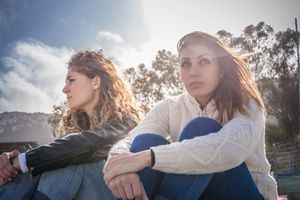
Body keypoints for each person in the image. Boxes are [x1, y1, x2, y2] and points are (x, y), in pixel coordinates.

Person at [103, 31, 278, 200]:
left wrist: (146, 158)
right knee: (144, 141)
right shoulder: (170, 107)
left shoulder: (246, 103)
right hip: (193, 193)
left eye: (204, 61)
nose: (193, 72)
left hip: (243, 191)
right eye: (186, 64)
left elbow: (228, 150)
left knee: (202, 128)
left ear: (221, 69)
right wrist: (119, 170)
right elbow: (129, 141)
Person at [0, 50, 141, 200]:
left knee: (70, 159)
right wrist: (8, 167)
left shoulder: (126, 122)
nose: (65, 88)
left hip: (119, 193)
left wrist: (19, 162)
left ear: (95, 82)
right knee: (48, 162)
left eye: (71, 80)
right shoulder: (82, 131)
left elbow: (85, 145)